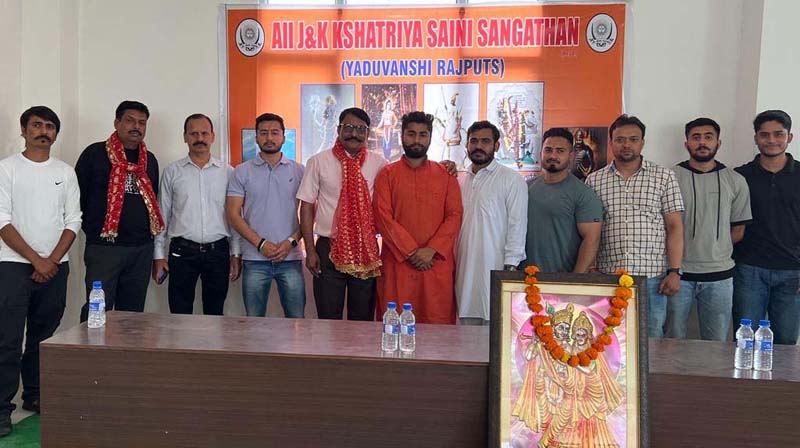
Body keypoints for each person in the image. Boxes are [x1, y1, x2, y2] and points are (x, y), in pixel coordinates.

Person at [0, 107, 81, 436]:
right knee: (7, 340)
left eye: (49, 127)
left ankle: (35, 396)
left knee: (43, 338)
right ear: (23, 130)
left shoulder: (65, 172)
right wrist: (37, 260)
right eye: (36, 125)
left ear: (56, 134)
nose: (43, 131)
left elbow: (73, 221)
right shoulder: (7, 169)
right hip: (13, 266)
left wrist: (51, 261)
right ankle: (2, 409)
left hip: (55, 268)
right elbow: (2, 221)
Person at [585, 115, 684, 338]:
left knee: (651, 340)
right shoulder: (594, 180)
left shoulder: (664, 177)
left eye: (633, 139)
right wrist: (591, 269)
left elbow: (675, 227)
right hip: (609, 276)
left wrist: (675, 271)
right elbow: (590, 230)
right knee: (609, 339)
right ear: (611, 143)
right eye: (620, 139)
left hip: (652, 278)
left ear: (642, 142)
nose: (626, 144)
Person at [75, 100, 163, 321]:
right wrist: (94, 231)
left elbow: (153, 201)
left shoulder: (149, 160)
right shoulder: (95, 154)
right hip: (105, 249)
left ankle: (125, 356)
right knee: (97, 312)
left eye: (142, 122)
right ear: (116, 123)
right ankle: (90, 355)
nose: (137, 126)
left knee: (131, 316)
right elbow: (77, 199)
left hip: (141, 249)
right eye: (130, 120)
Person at [297, 107, 387, 320]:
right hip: (328, 249)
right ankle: (330, 355)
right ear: (338, 130)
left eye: (360, 129)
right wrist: (310, 250)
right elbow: (307, 206)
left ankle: (358, 355)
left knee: (362, 318)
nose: (354, 133)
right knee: (328, 318)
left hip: (365, 249)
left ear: (367, 133)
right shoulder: (318, 161)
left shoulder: (380, 164)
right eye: (348, 127)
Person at [373, 112, 463, 324]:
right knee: (394, 327)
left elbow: (455, 215)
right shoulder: (387, 174)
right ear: (401, 135)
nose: (416, 140)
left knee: (437, 328)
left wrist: (431, 250)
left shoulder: (445, 175)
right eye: (411, 134)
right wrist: (412, 251)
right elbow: (382, 216)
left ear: (430, 138)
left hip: (436, 264)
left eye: (423, 135)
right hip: (398, 264)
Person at [667, 118, 751, 341]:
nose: (702, 142)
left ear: (718, 142)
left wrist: (715, 246)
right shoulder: (668, 178)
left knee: (717, 342)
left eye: (708, 137)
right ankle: (673, 378)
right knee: (672, 339)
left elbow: (738, 229)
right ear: (686, 144)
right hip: (678, 274)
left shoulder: (736, 180)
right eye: (696, 137)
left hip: (720, 276)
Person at [153, 114, 241, 316]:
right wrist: (158, 255)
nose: (199, 138)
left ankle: (212, 349)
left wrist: (235, 254)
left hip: (218, 251)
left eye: (204, 133)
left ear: (212, 136)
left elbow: (235, 216)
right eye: (193, 134)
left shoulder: (228, 173)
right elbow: (161, 216)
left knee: (215, 312)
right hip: (182, 252)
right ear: (185, 137)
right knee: (179, 314)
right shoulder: (172, 172)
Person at [227, 113, 305, 318]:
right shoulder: (241, 172)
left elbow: (309, 215)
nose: (269, 138)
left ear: (283, 137)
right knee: (254, 321)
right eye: (263, 133)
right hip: (254, 259)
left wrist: (291, 242)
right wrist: (260, 244)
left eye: (274, 133)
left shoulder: (299, 171)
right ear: (256, 137)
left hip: (290, 258)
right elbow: (233, 214)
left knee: (297, 320)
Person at [733, 110, 800, 345]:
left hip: (793, 272)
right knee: (745, 340)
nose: (771, 140)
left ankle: (781, 384)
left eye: (778, 134)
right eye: (765, 135)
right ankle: (743, 383)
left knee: (787, 343)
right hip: (749, 269)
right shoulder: (740, 177)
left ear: (789, 137)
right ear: (756, 138)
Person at [455, 121, 527, 326]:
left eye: (485, 141)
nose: (478, 146)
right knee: (464, 324)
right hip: (463, 267)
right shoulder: (460, 179)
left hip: (496, 268)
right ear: (467, 145)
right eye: (473, 141)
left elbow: (518, 225)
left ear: (496, 145)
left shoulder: (511, 180)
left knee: (494, 323)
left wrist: (510, 267)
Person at [523, 128, 602, 273]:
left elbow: (591, 239)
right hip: (522, 279)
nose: (553, 155)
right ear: (541, 152)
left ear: (571, 155)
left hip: (561, 280)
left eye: (560, 151)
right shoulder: (524, 188)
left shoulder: (583, 194)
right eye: (548, 150)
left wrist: (574, 281)